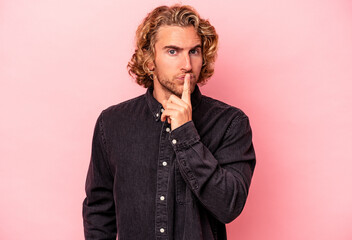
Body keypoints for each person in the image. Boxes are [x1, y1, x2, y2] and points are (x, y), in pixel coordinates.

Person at [82, 4, 256, 240]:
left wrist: (186, 135)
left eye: (194, 51)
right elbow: (99, 211)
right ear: (149, 59)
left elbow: (229, 205)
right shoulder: (112, 123)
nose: (187, 64)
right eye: (173, 51)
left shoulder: (230, 123)